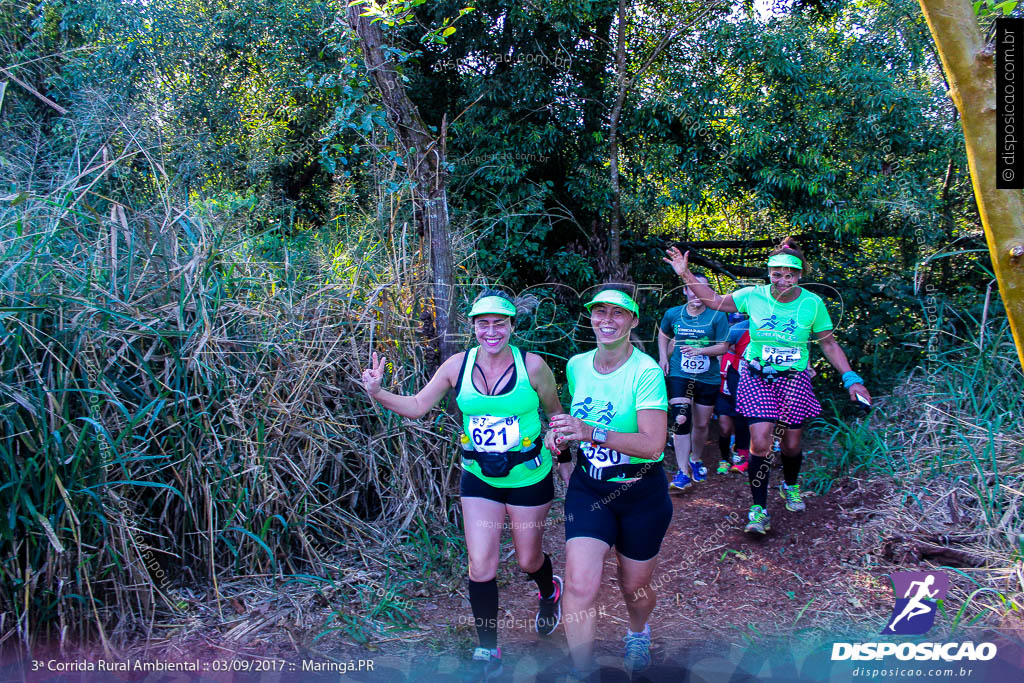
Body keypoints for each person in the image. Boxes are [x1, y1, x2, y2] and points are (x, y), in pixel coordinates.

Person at [361, 290, 568, 681]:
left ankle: (548, 591)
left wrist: (565, 457)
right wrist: (378, 393)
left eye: (500, 323)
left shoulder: (534, 367)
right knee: (480, 564)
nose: (492, 331)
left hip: (528, 477)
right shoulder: (457, 365)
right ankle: (488, 649)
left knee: (527, 560)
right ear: (473, 327)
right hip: (479, 478)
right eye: (483, 324)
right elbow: (419, 406)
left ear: (511, 326)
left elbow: (556, 413)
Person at [664, 239, 871, 535]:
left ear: (799, 276)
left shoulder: (812, 303)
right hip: (756, 376)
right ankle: (758, 508)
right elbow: (715, 301)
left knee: (791, 444)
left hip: (793, 380)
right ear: (769, 274)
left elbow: (828, 343)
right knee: (760, 441)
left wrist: (851, 378)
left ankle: (790, 484)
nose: (782, 281)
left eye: (789, 275)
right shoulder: (753, 296)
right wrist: (685, 274)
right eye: (776, 274)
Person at [546, 285, 671, 676]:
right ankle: (583, 670)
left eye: (618, 314)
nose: (607, 320)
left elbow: (653, 445)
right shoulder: (577, 364)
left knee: (635, 590)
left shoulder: (646, 371)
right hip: (589, 486)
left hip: (640, 491)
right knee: (580, 584)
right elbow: (572, 425)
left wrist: (590, 432)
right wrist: (560, 436)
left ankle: (638, 632)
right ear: (590, 318)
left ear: (633, 321)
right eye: (600, 312)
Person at [658, 275, 730, 490]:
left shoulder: (717, 315)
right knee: (681, 418)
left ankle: (695, 459)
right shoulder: (673, 314)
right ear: (685, 291)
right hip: (680, 373)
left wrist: (701, 350)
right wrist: (663, 358)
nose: (697, 293)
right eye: (692, 288)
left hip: (707, 377)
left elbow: (724, 347)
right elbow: (663, 334)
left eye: (702, 289)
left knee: (700, 424)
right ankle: (682, 472)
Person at [714, 315, 751, 475]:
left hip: (743, 392)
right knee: (724, 428)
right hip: (724, 395)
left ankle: (742, 456)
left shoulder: (745, 353)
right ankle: (724, 458)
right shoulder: (721, 352)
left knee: (742, 423)